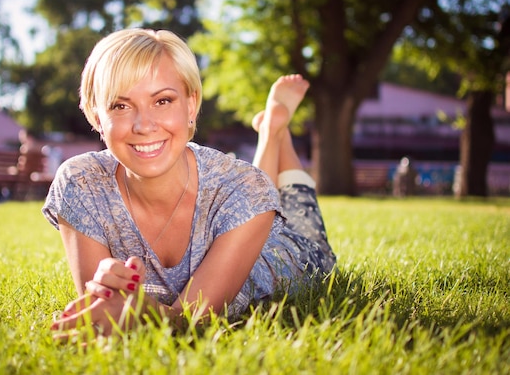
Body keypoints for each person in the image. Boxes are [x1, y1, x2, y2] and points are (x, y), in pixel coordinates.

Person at [43, 28, 336, 337]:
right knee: (247, 194)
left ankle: (275, 131)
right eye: (120, 105)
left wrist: (141, 311)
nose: (143, 125)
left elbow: (192, 321)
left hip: (287, 255)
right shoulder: (81, 184)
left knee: (275, 201)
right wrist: (110, 297)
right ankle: (272, 129)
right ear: (96, 117)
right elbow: (100, 311)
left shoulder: (247, 189)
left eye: (163, 101)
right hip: (242, 204)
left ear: (191, 105)